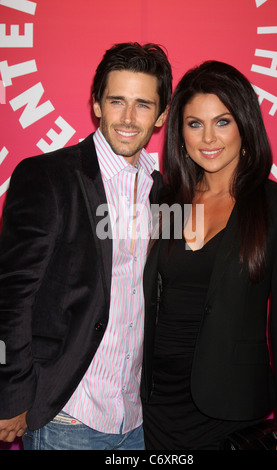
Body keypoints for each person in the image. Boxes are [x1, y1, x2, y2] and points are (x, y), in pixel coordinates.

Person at [0, 42, 172, 450]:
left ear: (162, 115)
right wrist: (9, 396)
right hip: (68, 416)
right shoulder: (48, 177)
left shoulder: (162, 191)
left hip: (137, 419)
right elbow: (10, 298)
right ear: (97, 104)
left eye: (144, 105)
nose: (128, 118)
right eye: (117, 101)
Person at [141, 60, 277, 450]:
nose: (208, 138)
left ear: (245, 126)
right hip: (152, 408)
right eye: (195, 124)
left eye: (222, 122)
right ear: (179, 133)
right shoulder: (163, 201)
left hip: (229, 414)